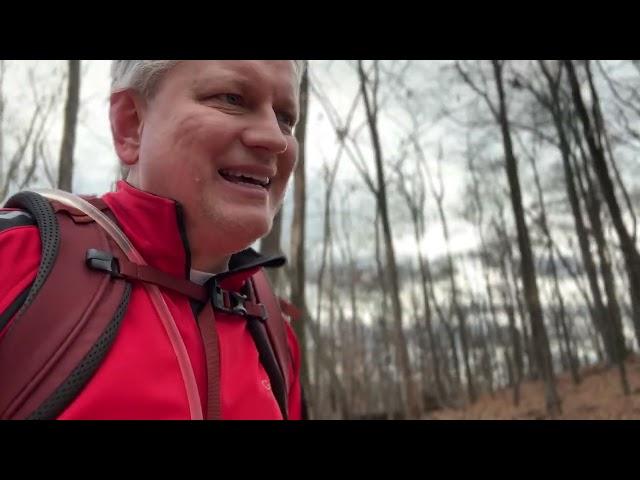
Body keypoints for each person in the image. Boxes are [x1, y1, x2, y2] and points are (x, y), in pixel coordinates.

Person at [0, 60, 305, 420]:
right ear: (131, 124)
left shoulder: (273, 331)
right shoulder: (19, 260)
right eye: (232, 98)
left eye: (285, 117)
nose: (274, 138)